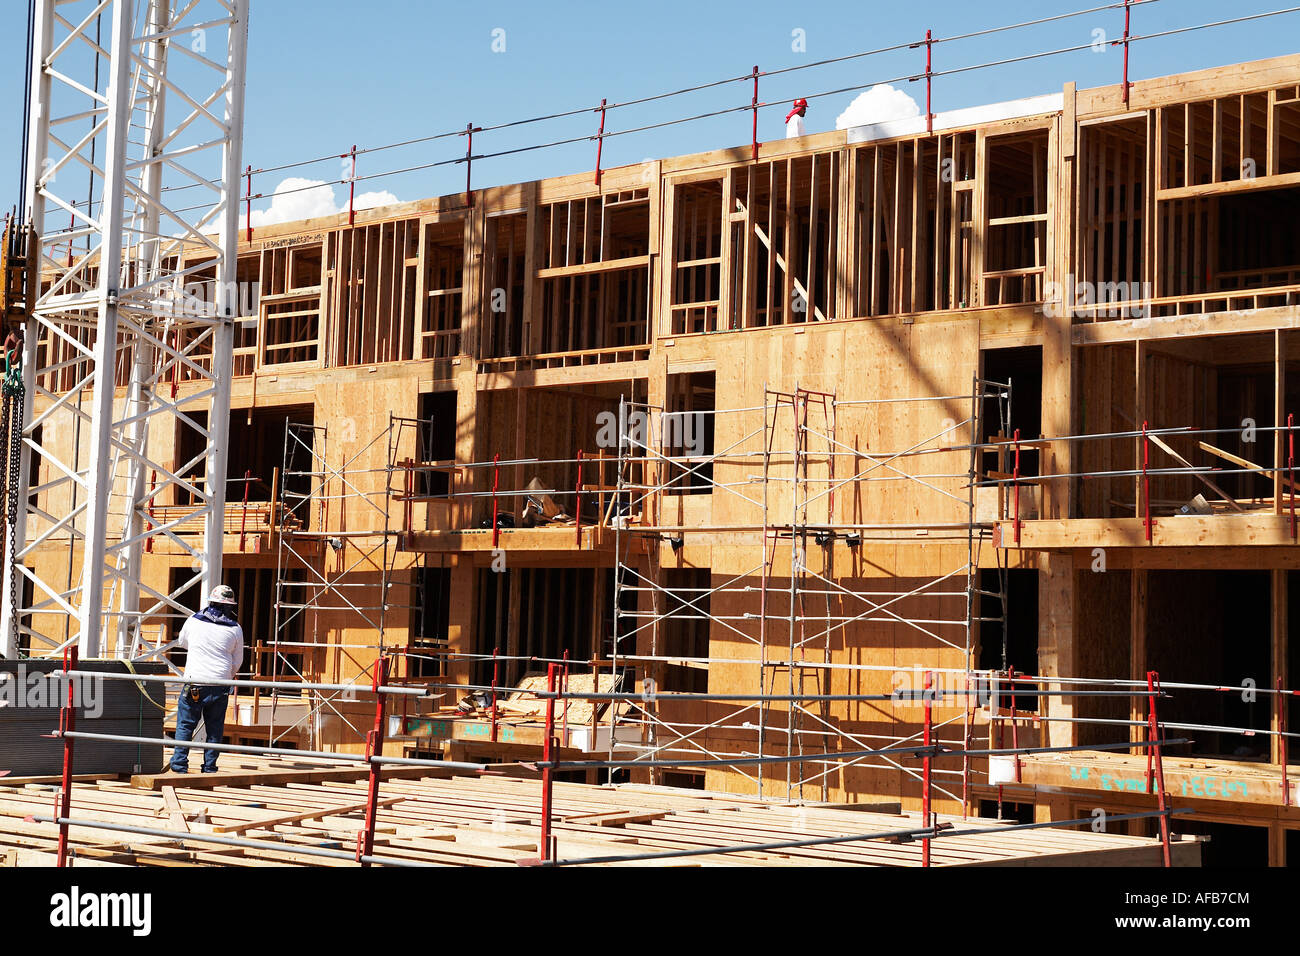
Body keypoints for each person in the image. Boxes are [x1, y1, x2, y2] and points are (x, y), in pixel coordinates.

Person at [169, 585, 245, 774]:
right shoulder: (235, 629)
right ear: (230, 606)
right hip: (219, 685)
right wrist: (225, 676)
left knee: (186, 725)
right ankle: (209, 768)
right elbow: (238, 661)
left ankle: (179, 766)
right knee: (214, 729)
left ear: (211, 602)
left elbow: (183, 643)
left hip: (195, 682)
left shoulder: (194, 621)